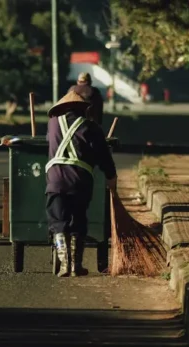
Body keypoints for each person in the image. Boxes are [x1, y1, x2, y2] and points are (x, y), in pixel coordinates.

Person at [45, 85, 117, 278]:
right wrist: (111, 178)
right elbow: (103, 157)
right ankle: (76, 266)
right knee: (78, 220)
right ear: (83, 109)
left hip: (55, 182)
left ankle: (64, 265)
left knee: (59, 222)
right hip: (80, 183)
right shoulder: (92, 127)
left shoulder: (52, 125)